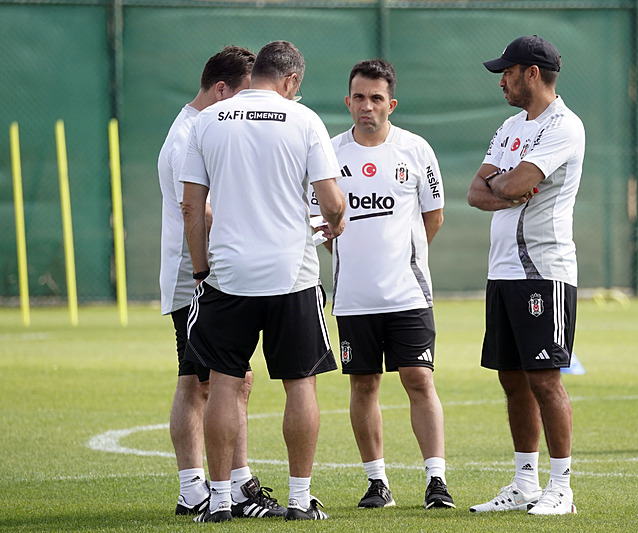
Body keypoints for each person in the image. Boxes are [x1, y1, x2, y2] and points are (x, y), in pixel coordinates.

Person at [179, 40, 346, 522]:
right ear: (291, 80)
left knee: (225, 385)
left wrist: (201, 270)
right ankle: (298, 501)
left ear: (255, 76)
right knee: (300, 385)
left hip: (227, 277)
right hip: (291, 276)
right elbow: (331, 201)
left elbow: (191, 206)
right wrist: (334, 224)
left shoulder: (209, 121)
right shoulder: (305, 119)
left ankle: (221, 501)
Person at [312, 58, 453, 510]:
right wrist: (352, 256)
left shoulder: (416, 150)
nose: (366, 106)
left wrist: (402, 257)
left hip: (408, 294)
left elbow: (434, 216)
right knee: (364, 385)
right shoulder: (329, 153)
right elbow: (320, 221)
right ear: (347, 101)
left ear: (391, 103)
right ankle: (378, 483)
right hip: (353, 297)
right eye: (359, 97)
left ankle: (436, 481)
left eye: (376, 98)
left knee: (418, 379)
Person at [157, 45, 286, 519]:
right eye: (243, 94)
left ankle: (206, 487)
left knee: (210, 381)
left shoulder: (198, 127)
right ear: (221, 89)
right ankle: (219, 487)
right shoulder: (188, 136)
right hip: (198, 277)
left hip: (207, 274)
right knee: (219, 382)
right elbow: (198, 209)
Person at [466, 35, 584, 516]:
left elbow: (511, 182)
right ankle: (524, 482)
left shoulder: (565, 126)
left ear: (532, 73)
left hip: (543, 270)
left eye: (508, 72)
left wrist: (507, 183)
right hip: (503, 271)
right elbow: (477, 192)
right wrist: (507, 186)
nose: (503, 80)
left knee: (545, 379)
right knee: (511, 379)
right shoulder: (511, 125)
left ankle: (562, 486)